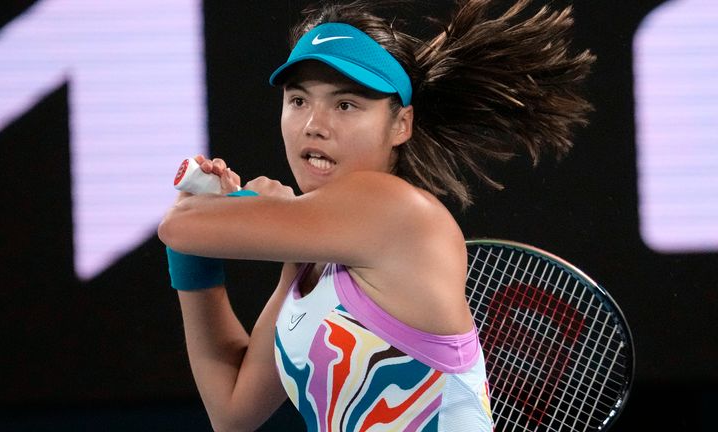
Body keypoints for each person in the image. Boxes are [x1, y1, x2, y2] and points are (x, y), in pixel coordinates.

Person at [158, 0, 594, 430]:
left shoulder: (391, 206)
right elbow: (232, 410)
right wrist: (196, 252)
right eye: (298, 101)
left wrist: (235, 208)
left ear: (400, 124)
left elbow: (179, 228)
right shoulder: (310, 257)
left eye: (345, 105)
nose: (314, 123)